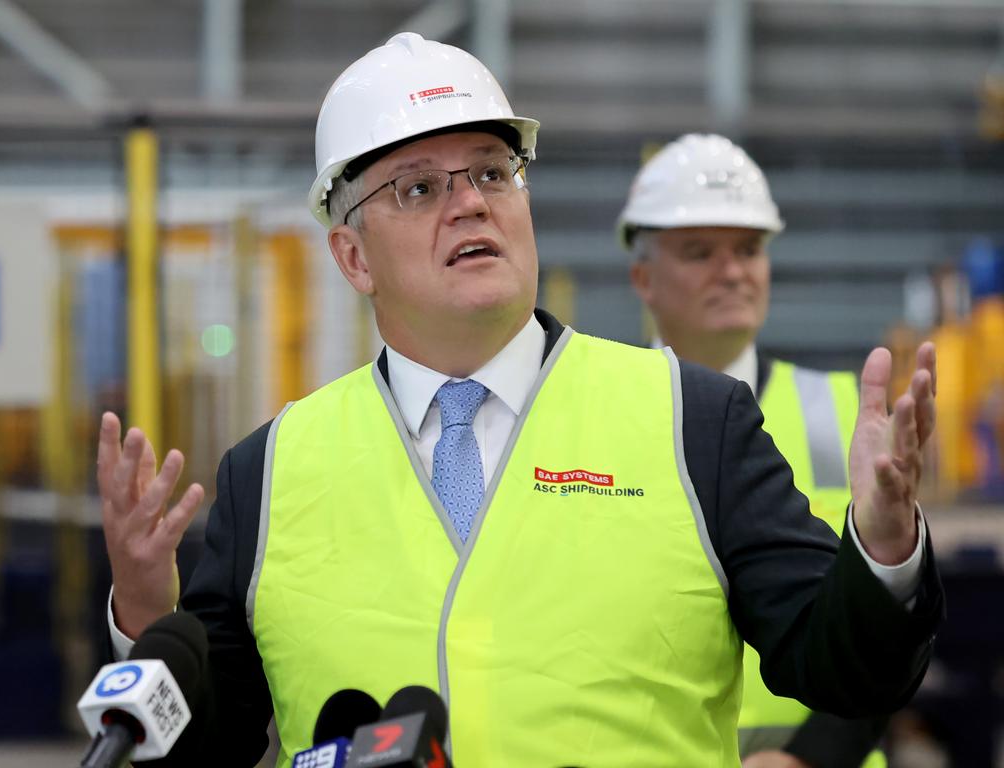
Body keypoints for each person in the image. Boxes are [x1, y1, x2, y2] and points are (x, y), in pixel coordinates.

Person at [97, 33, 942, 768]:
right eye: (419, 188)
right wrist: (141, 607)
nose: (470, 200)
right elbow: (214, 747)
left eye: (494, 172)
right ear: (353, 257)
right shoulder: (269, 470)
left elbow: (844, 670)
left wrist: (883, 541)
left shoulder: (694, 423)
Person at [618, 133, 887, 768]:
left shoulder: (836, 411)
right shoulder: (609, 414)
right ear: (642, 277)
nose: (733, 270)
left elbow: (880, 617)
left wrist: (808, 757)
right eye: (700, 251)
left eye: (749, 248)